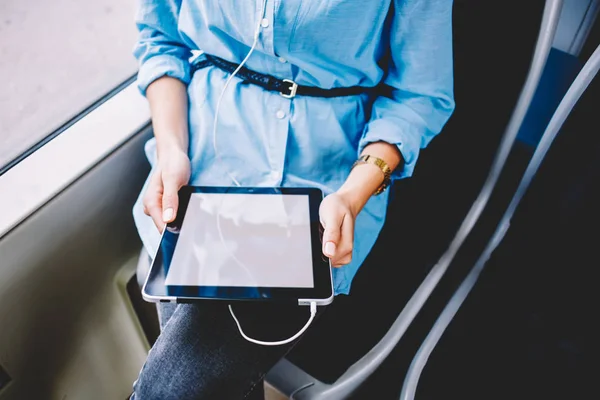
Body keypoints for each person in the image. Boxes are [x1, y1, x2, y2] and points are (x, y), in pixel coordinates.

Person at [130, 0, 454, 398]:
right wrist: (170, 151)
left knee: (174, 389)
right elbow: (161, 39)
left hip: (326, 183)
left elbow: (419, 97)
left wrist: (353, 196)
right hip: (199, 161)